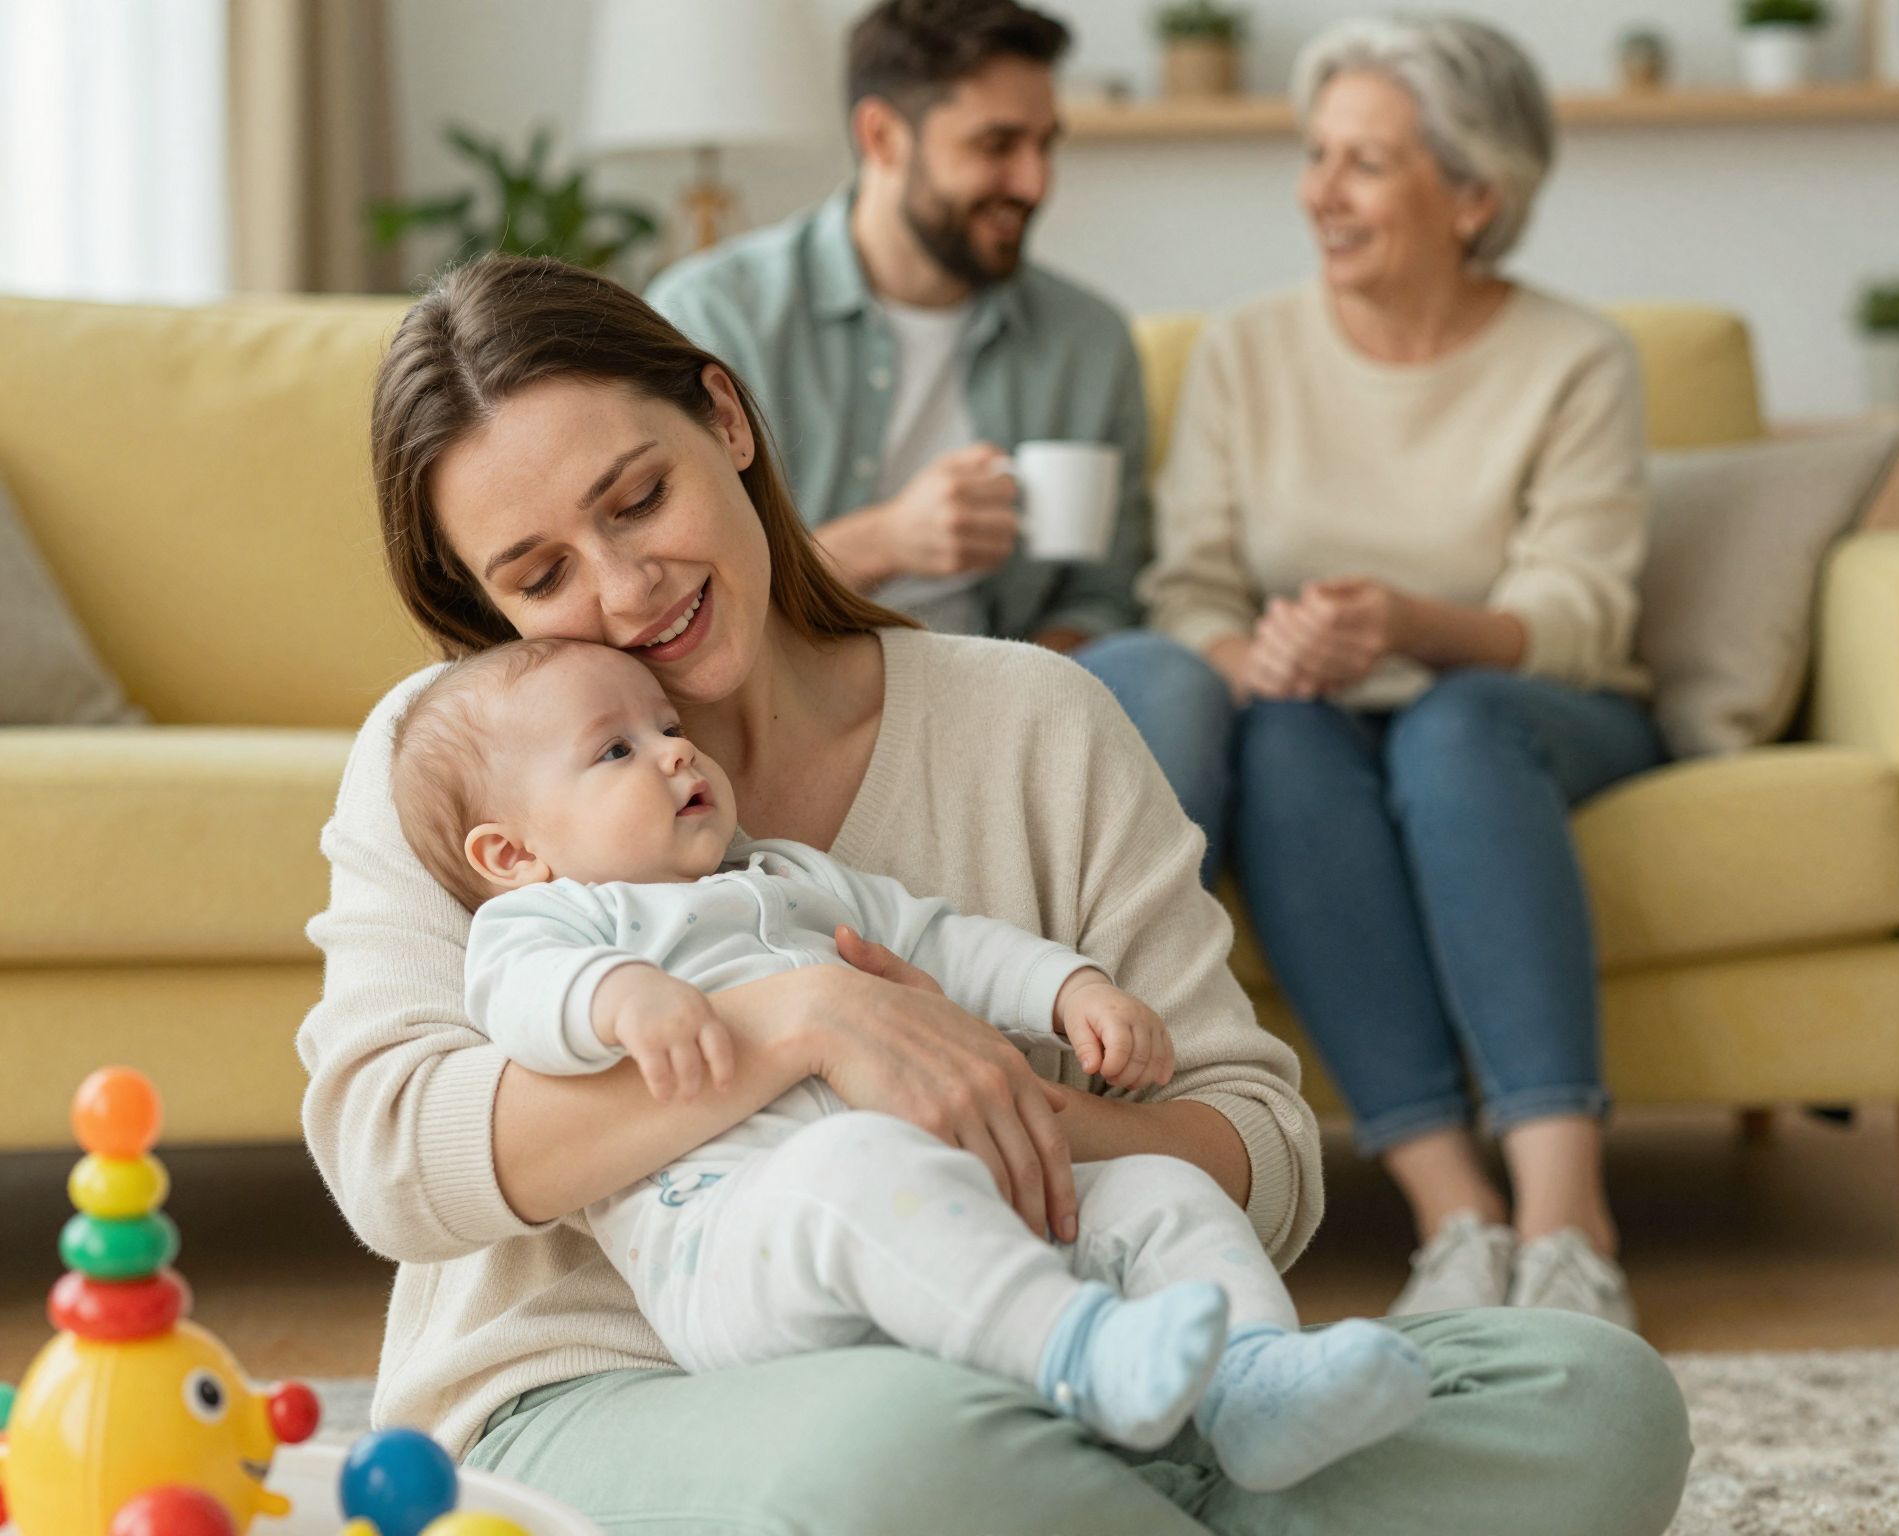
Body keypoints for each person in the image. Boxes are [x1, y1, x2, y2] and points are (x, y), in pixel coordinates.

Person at [299, 250, 1690, 1535]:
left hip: (1081, 1348)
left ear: (725, 419)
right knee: (906, 1460)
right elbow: (390, 1156)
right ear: (485, 604)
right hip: (620, 1398)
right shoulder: (462, 772)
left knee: (1594, 1396)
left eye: (639, 497)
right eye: (539, 575)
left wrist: (1008, 1109)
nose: (622, 586)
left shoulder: (1039, 722)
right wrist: (805, 1026)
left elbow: (1261, 1154)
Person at [385, 635, 1431, 1492]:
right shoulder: (558, 920)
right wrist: (617, 997)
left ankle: (1252, 1387)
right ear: (511, 854)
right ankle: (1080, 1359)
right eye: (613, 752)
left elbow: (945, 942)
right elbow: (516, 1001)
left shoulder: (789, 876)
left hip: (938, 1194)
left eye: (666, 727)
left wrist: (1073, 994)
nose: (672, 755)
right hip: (732, 1245)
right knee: (854, 1175)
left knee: (1156, 1187)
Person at [1133, 17, 1667, 1326]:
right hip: (1321, 713)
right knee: (1280, 739)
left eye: (1363, 163)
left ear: (1475, 193)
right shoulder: (1246, 352)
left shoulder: (1573, 358)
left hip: (1531, 709)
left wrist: (1410, 625)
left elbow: (1582, 610)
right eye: (1316, 157)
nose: (1319, 193)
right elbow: (1187, 590)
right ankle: (1456, 1218)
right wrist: (1253, 654)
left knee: (1455, 730)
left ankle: (1565, 1218)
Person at [643, 0, 1150, 658]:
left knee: (1159, 671)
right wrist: (888, 540)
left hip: (1011, 686)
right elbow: (680, 586)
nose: (1035, 181)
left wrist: (1034, 688)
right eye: (996, 145)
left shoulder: (1090, 341)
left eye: (1045, 144)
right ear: (882, 136)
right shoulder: (714, 317)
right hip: (791, 684)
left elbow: (1105, 594)